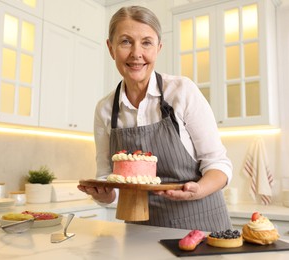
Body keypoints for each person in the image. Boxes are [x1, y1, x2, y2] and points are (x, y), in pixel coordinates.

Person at [78, 5, 233, 231]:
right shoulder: (104, 109)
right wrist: (102, 194)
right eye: (125, 41)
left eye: (146, 42)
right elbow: (108, 181)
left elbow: (219, 165)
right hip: (140, 230)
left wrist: (197, 190)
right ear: (111, 48)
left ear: (159, 48)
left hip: (201, 225)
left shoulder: (182, 91)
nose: (136, 53)